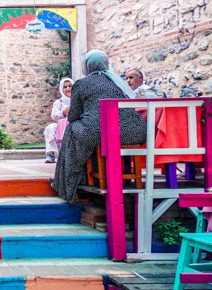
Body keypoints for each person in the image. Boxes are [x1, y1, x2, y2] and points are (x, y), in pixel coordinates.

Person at [53, 50, 147, 202]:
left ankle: (71, 182)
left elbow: (73, 115)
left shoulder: (82, 84)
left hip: (101, 133)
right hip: (132, 132)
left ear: (87, 66)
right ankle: (113, 174)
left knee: (73, 129)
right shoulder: (119, 82)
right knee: (91, 130)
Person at [44, 77, 74, 163]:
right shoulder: (59, 102)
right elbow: (53, 116)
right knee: (51, 127)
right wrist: (63, 112)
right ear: (62, 89)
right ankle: (51, 154)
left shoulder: (77, 100)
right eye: (65, 87)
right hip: (62, 124)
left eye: (70, 86)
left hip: (74, 123)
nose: (68, 89)